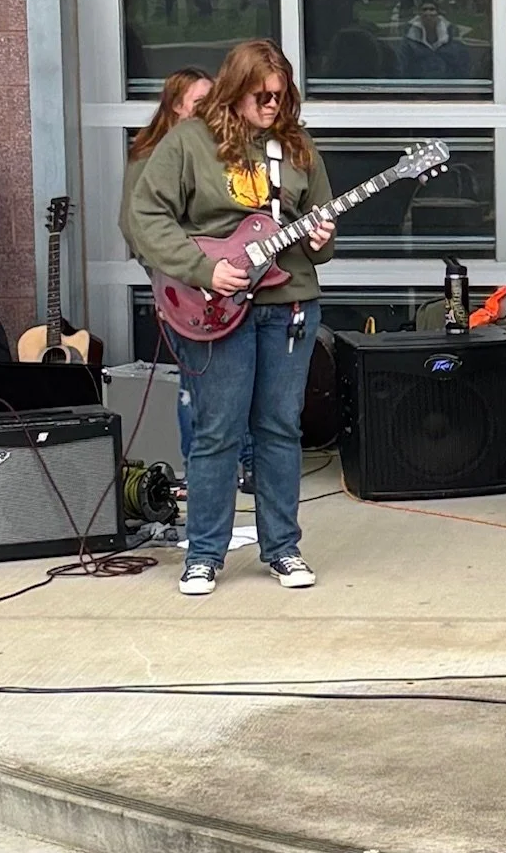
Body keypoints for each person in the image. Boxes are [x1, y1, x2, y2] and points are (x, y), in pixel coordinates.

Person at [127, 40, 336, 595]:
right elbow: (145, 214)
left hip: (289, 304)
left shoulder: (297, 147)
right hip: (216, 305)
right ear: (234, 90)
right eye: (260, 96)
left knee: (280, 428)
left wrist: (321, 238)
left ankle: (283, 548)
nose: (272, 105)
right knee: (217, 431)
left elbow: (320, 239)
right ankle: (204, 554)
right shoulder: (189, 142)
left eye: (280, 95)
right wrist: (202, 269)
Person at [119, 67, 255, 488]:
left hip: (225, 285)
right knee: (195, 386)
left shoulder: (217, 149)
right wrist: (167, 280)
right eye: (200, 103)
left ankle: (245, 462)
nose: (210, 110)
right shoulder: (151, 156)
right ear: (176, 106)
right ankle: (198, 473)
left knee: (233, 382)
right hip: (182, 290)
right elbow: (136, 226)